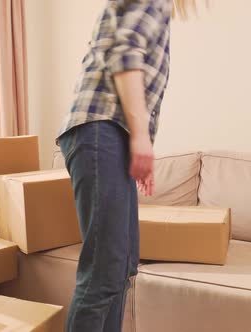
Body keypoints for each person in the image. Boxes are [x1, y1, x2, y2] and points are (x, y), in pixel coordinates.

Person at [56, 0, 193, 331]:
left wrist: (137, 146)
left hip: (111, 138)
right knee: (104, 272)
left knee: (121, 269)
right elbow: (125, 52)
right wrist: (141, 139)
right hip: (102, 130)